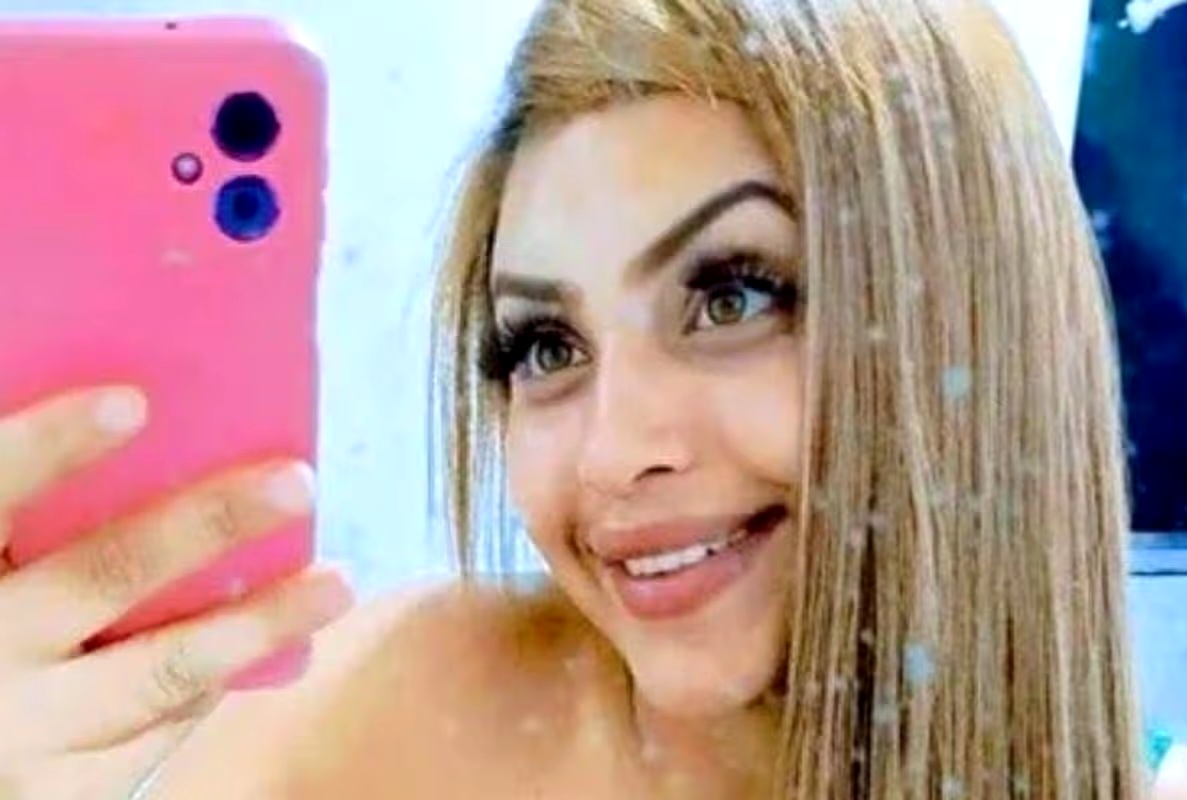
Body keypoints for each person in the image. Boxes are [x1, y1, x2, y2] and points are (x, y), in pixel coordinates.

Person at [0, 0, 1179, 797]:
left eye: (731, 295)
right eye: (544, 345)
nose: (611, 453)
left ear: (967, 322)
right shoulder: (376, 712)